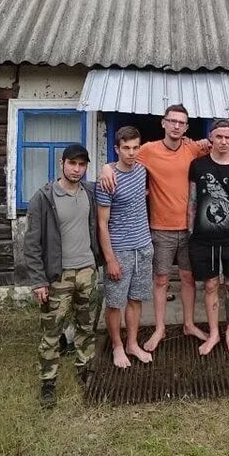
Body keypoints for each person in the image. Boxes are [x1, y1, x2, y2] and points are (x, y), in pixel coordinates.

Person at [97, 105, 229, 352]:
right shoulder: (147, 150)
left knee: (189, 278)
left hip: (192, 230)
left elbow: (225, 148)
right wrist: (105, 168)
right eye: (172, 121)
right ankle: (160, 328)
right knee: (161, 279)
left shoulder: (194, 147)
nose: (177, 126)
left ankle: (189, 324)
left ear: (187, 127)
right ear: (163, 123)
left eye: (182, 122)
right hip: (160, 228)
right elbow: (121, 159)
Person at [22, 144, 100, 408]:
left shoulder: (90, 191)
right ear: (62, 163)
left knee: (86, 327)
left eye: (82, 165)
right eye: (73, 164)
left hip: (87, 271)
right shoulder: (43, 198)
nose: (77, 170)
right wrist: (38, 281)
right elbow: (32, 243)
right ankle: (48, 382)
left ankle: (85, 370)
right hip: (58, 276)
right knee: (52, 332)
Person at [187, 119, 229, 356]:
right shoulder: (197, 165)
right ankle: (214, 332)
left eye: (228, 137)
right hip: (204, 239)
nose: (223, 141)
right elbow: (193, 201)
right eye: (219, 137)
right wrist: (190, 234)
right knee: (211, 285)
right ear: (211, 138)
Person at [95, 126, 154, 369]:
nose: (131, 153)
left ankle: (132, 343)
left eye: (135, 148)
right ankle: (117, 346)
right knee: (115, 302)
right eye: (126, 148)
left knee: (136, 299)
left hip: (143, 246)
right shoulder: (107, 180)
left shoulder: (142, 170)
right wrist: (110, 259)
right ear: (116, 149)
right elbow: (102, 222)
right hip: (119, 250)